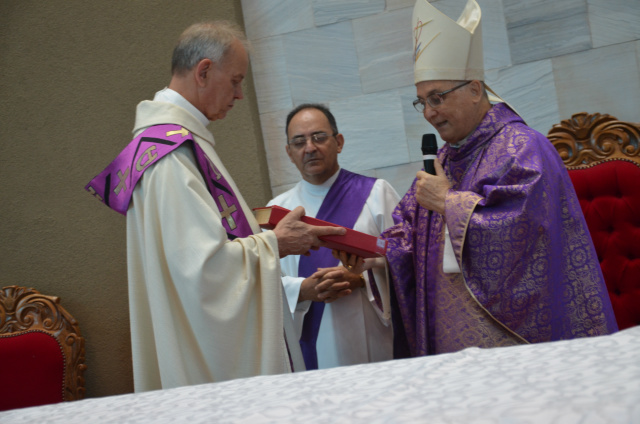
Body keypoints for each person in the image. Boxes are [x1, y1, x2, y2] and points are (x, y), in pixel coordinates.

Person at [85, 21, 347, 392]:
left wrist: (265, 237)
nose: (240, 95)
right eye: (236, 81)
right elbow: (202, 273)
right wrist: (277, 244)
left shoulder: (180, 142)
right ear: (204, 71)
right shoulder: (169, 157)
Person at [382, 0, 618, 358]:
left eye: (437, 98)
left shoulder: (523, 147)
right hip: (451, 341)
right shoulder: (446, 157)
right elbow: (408, 231)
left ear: (476, 90)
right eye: (422, 102)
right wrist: (373, 256)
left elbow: (520, 232)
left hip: (511, 341)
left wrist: (448, 201)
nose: (429, 113)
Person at [268, 104, 400, 369]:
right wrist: (302, 290)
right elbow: (263, 283)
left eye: (318, 137)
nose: (310, 148)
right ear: (289, 153)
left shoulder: (377, 194)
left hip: (374, 343)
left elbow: (410, 260)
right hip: (311, 349)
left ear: (338, 142)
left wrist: (363, 278)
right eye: (299, 141)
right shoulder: (276, 214)